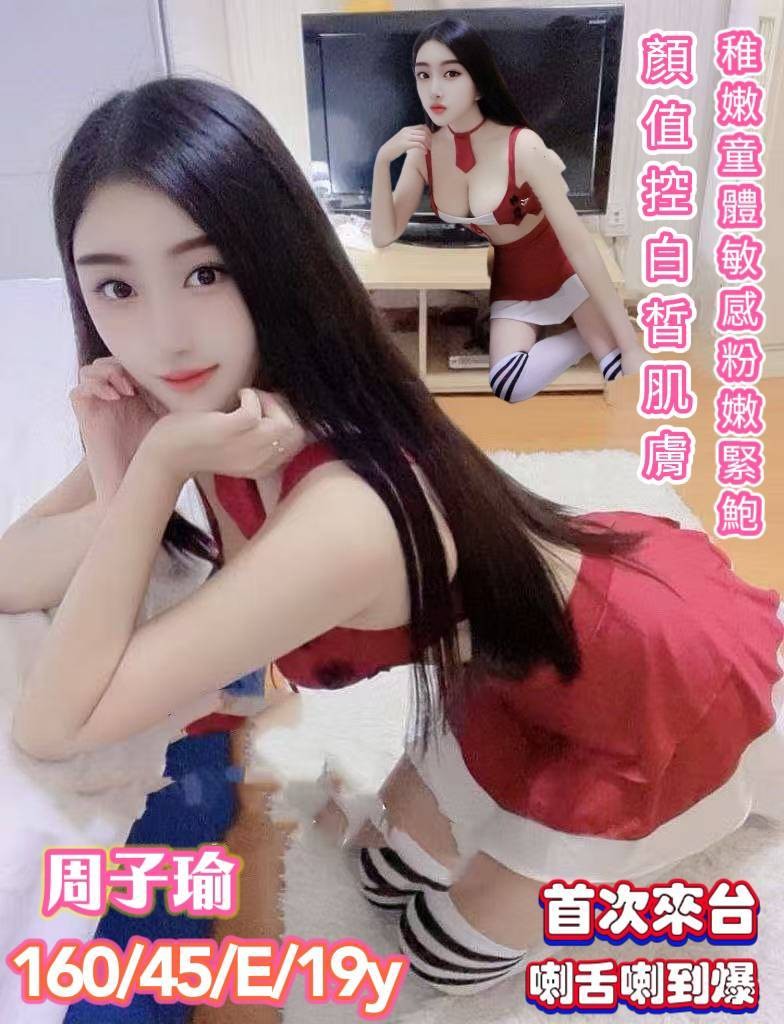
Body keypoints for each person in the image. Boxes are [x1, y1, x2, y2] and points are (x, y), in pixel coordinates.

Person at [7, 76, 782, 1006]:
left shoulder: (338, 510)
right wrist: (127, 480)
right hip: (505, 664)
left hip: (645, 675)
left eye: (206, 271)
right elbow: (10, 576)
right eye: (116, 286)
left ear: (276, 258)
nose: (164, 336)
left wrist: (154, 468)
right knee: (385, 874)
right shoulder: (210, 406)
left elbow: (53, 726)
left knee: (440, 956)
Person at [371, 16, 647, 402]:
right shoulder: (423, 153)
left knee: (620, 372)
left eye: (451, 74)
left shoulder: (522, 145)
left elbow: (579, 245)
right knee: (509, 385)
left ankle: (609, 332)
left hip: (563, 266)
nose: (434, 89)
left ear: (479, 81)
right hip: (513, 274)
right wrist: (383, 161)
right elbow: (384, 235)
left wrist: (629, 345)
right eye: (423, 75)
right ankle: (585, 336)